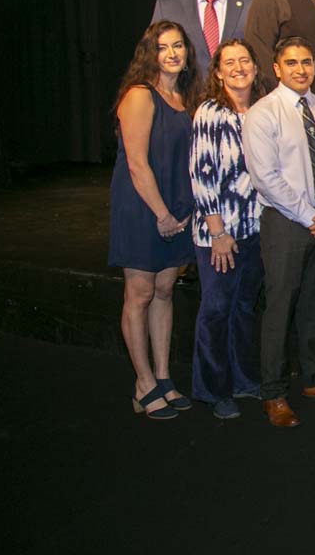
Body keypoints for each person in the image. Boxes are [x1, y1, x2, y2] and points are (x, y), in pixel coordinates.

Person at [243, 36, 315, 427]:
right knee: (280, 308)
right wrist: (311, 215)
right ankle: (272, 393)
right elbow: (266, 178)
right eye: (291, 63)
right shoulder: (263, 113)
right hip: (287, 223)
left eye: (306, 62)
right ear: (276, 68)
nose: (301, 69)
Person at [109, 21, 200, 419]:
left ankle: (163, 377)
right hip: (143, 207)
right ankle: (142, 383)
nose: (173, 54)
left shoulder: (183, 97)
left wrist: (180, 210)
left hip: (175, 208)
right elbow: (136, 163)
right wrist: (161, 213)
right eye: (163, 48)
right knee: (140, 293)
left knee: (164, 291)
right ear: (151, 53)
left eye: (178, 46)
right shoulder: (139, 96)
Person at [188, 38, 266, 420]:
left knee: (244, 308)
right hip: (220, 233)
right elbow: (202, 174)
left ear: (255, 66)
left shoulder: (262, 110)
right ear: (217, 72)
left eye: (245, 60)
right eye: (229, 62)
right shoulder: (210, 112)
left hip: (255, 230)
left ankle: (243, 378)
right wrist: (218, 232)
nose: (238, 67)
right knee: (217, 309)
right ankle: (213, 389)